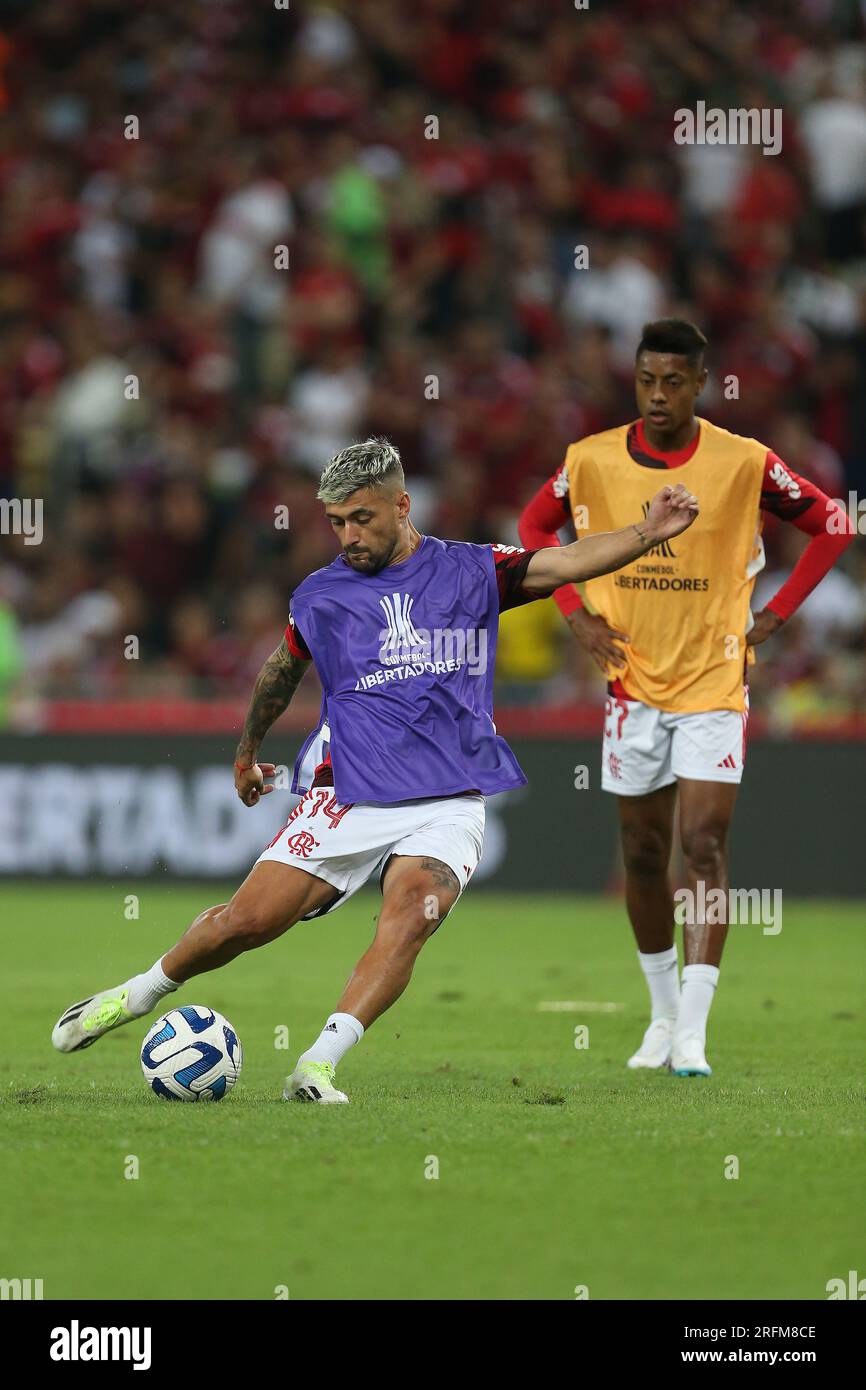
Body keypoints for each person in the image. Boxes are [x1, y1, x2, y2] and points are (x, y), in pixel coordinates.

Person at [52, 437, 698, 1103]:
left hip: (448, 795)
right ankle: (134, 995)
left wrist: (648, 532)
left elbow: (564, 562)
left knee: (413, 913)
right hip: (350, 791)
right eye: (336, 522)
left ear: (402, 504)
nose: (348, 536)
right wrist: (247, 752)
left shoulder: (470, 571)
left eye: (361, 519)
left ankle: (318, 1064)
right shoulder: (322, 594)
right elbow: (282, 670)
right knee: (245, 924)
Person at [519, 318, 856, 1077]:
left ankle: (694, 1034)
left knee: (702, 844)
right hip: (632, 683)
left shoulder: (744, 462)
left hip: (713, 681)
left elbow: (834, 523)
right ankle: (662, 1016)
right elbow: (536, 525)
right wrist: (575, 617)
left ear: (701, 383)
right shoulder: (593, 459)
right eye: (646, 380)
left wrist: (775, 614)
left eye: (674, 382)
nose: (658, 395)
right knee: (643, 852)